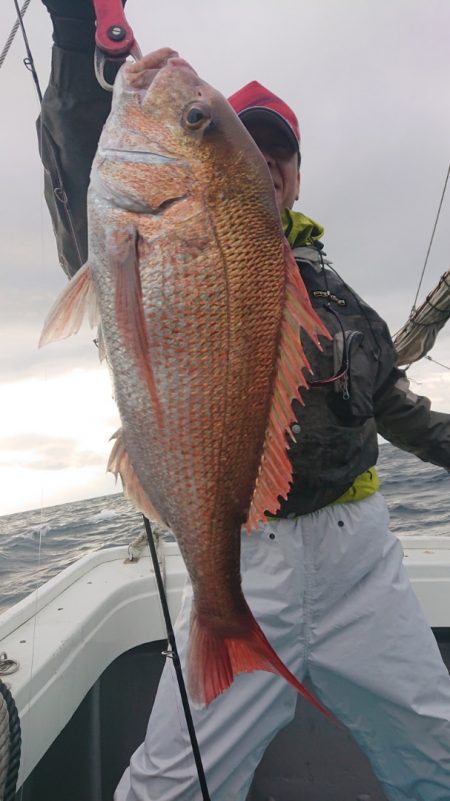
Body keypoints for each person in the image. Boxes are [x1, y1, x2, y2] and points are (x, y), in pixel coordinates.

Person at [39, 3, 450, 800]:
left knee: (436, 746)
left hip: (363, 558)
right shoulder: (140, 229)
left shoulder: (343, 302)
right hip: (247, 552)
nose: (265, 163)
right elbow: (85, 164)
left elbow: (397, 407)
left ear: (296, 174)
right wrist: (76, 46)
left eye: (280, 152)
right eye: (246, 145)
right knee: (175, 780)